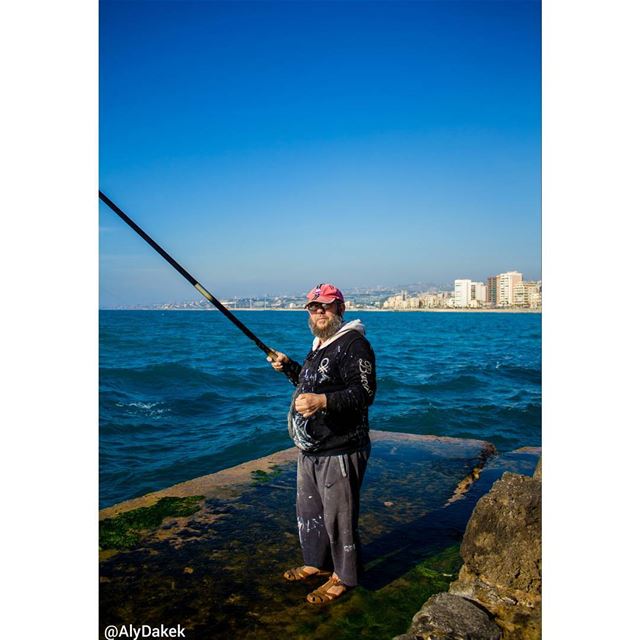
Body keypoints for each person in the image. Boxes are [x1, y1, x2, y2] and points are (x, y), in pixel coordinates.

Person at [268, 283, 376, 604]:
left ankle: (344, 577)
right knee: (309, 510)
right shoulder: (320, 346)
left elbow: (364, 393)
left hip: (342, 447)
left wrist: (322, 402)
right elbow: (312, 381)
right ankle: (316, 563)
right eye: (313, 308)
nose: (319, 312)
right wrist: (289, 367)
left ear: (340, 309)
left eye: (325, 307)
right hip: (313, 448)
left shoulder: (354, 344)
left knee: (339, 516)